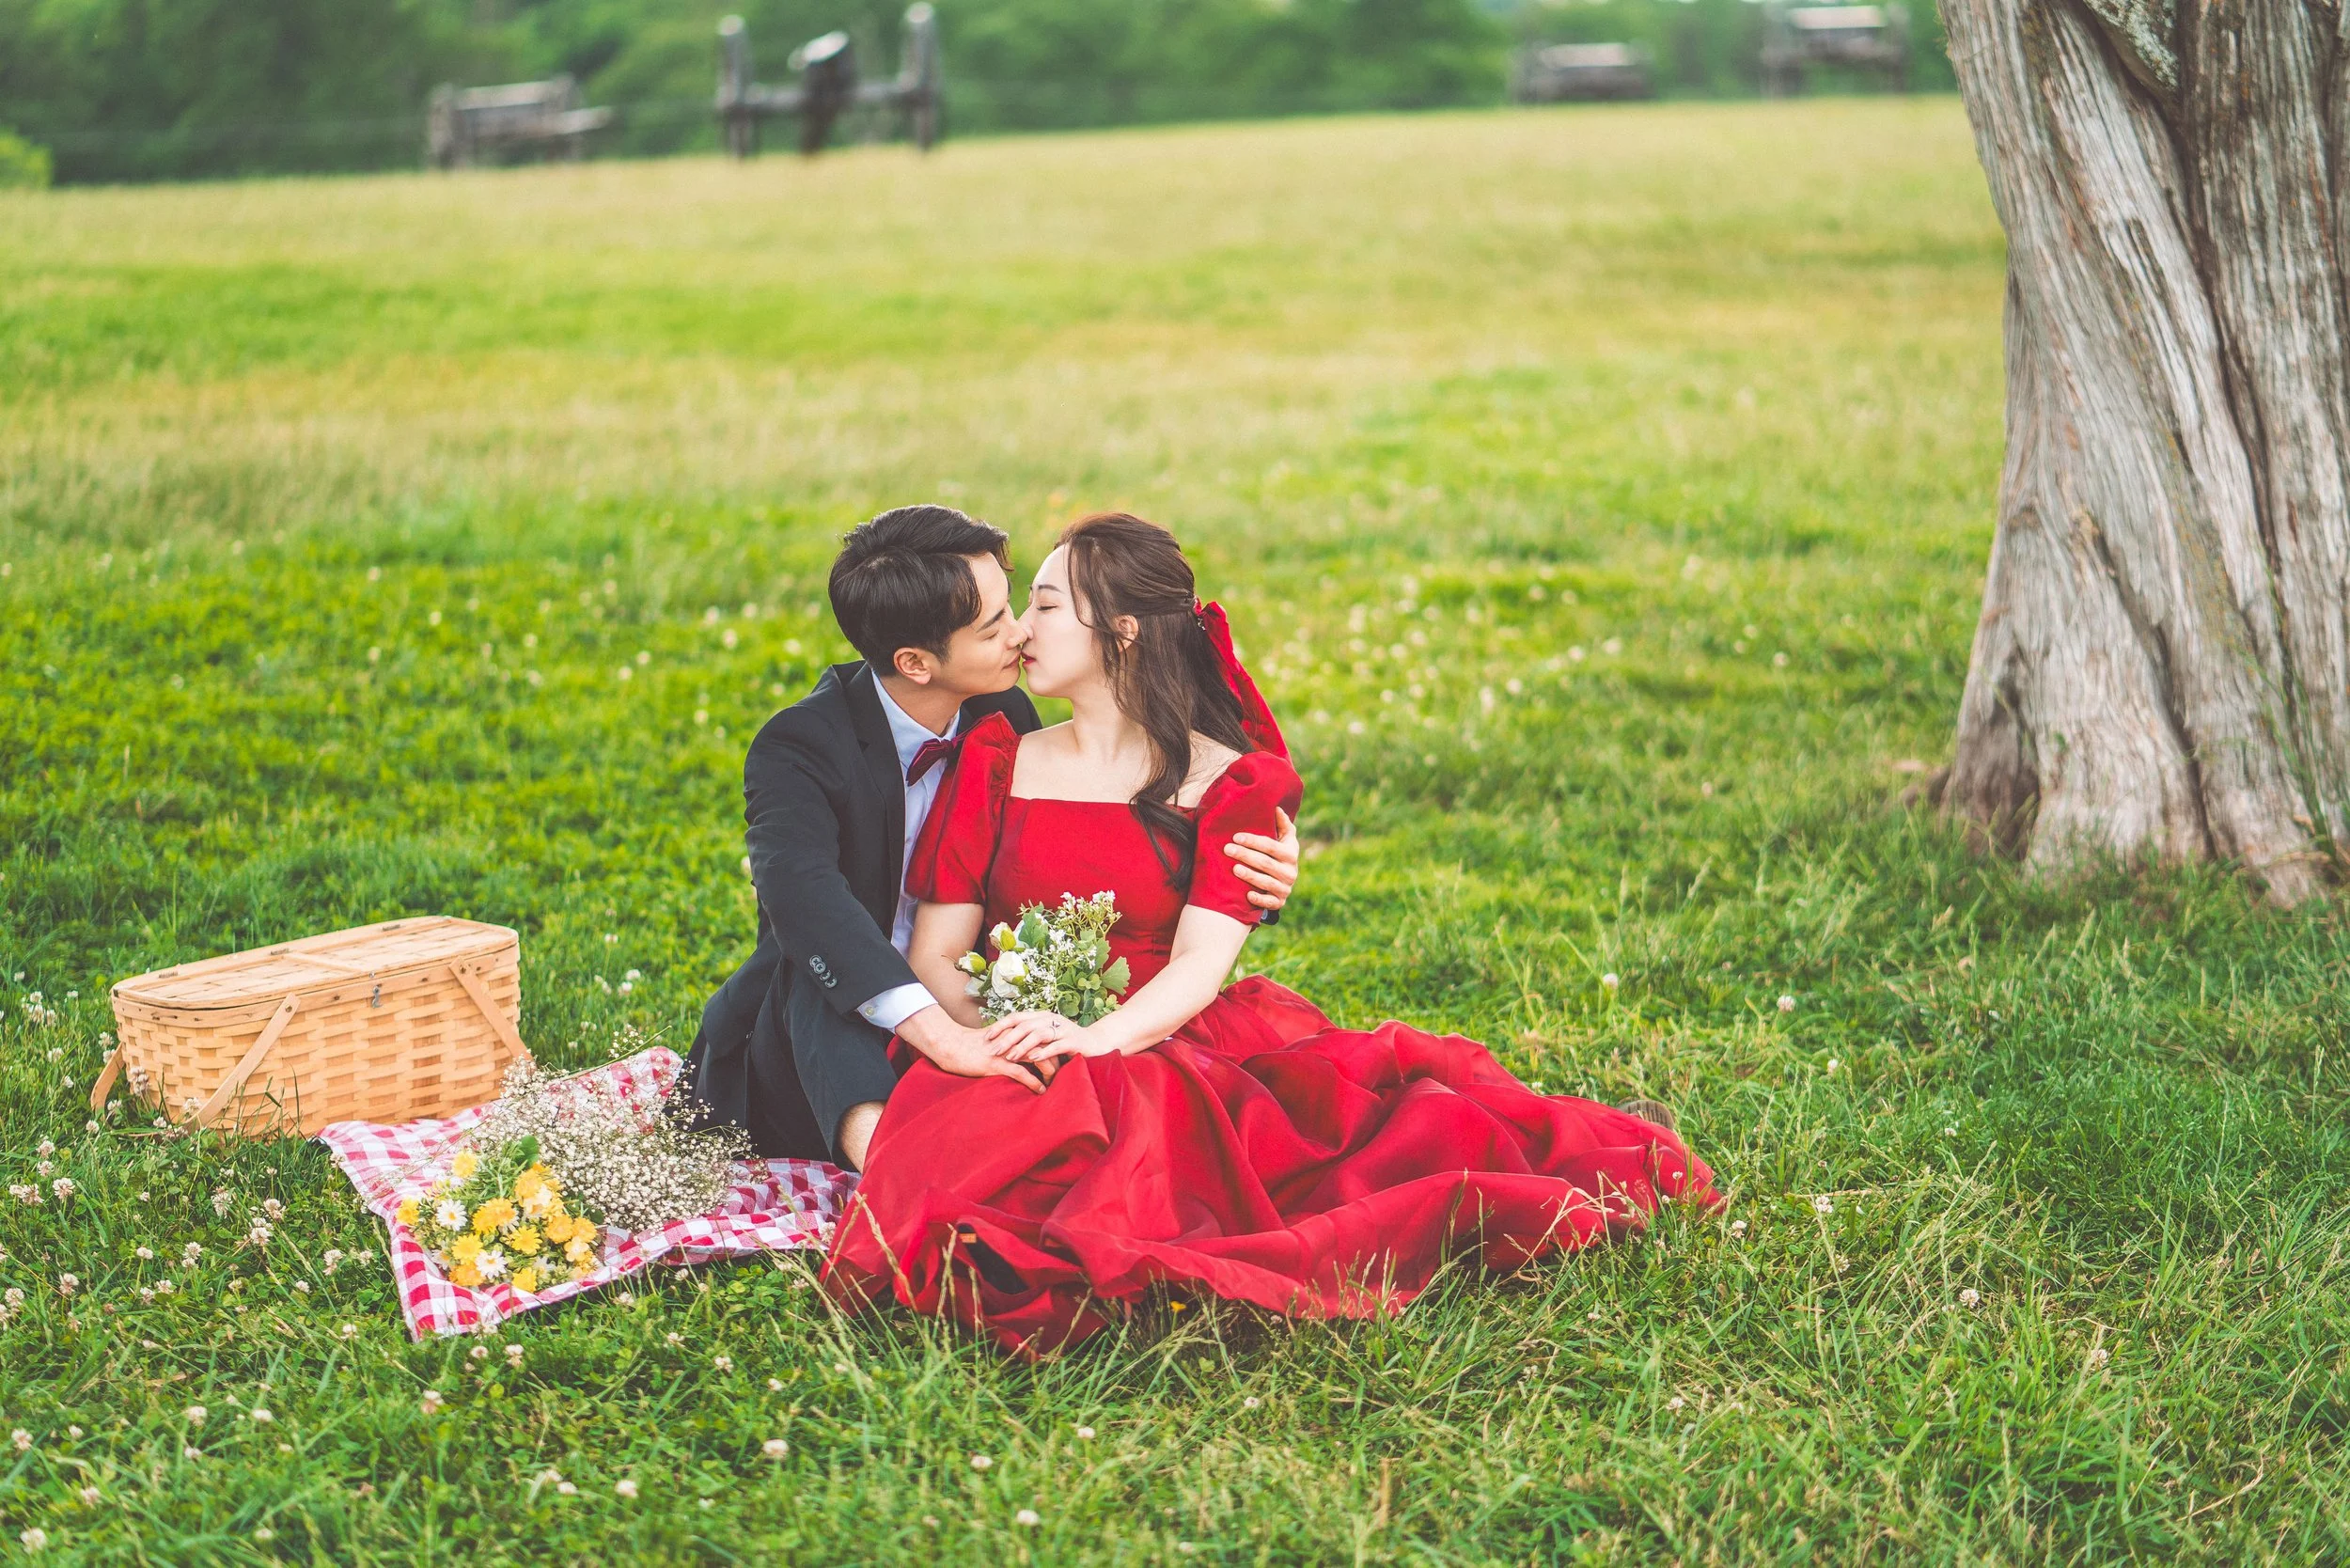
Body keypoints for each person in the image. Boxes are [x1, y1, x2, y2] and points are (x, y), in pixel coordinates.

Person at [825, 512, 1717, 1355]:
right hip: (1010, 1028)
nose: (1020, 629)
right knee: (960, 1166)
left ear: (1123, 634)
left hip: (1162, 1031)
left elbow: (1199, 964)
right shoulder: (998, 758)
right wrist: (1006, 1034)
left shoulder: (1231, 784)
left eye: (1047, 606)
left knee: (1235, 1170)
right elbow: (937, 952)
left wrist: (1095, 1040)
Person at [683, 504, 1302, 1169]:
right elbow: (803, 901)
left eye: (1024, 608)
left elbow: (1107, 841)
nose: (1020, 634)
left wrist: (1252, 875)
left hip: (998, 1001)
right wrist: (952, 1041)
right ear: (917, 662)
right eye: (995, 625)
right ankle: (894, 1178)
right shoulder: (799, 746)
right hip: (847, 1010)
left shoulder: (1000, 713)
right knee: (816, 969)